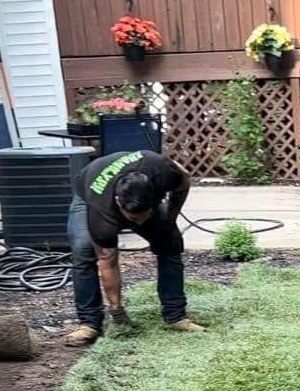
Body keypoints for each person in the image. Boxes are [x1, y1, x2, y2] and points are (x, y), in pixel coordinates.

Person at [66, 148, 205, 346]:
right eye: (133, 218)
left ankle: (176, 317)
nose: (140, 223)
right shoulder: (102, 210)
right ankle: (89, 323)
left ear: (155, 195)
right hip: (88, 190)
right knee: (84, 250)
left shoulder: (163, 172)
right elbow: (107, 262)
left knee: (170, 244)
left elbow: (183, 183)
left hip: (143, 180)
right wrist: (117, 311)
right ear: (118, 203)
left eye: (145, 215)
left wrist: (170, 217)